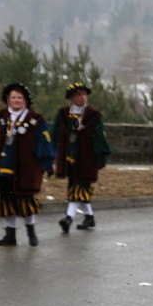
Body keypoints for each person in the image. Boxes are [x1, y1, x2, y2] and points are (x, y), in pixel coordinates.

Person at [0, 83, 54, 247]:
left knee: (26, 202)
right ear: (8, 99)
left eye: (19, 97)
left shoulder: (36, 120)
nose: (16, 100)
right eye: (13, 97)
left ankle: (31, 232)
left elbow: (44, 142)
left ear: (26, 100)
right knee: (7, 200)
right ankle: (10, 235)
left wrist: (47, 163)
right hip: (4, 167)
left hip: (26, 168)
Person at [52, 82, 112, 233]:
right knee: (77, 188)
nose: (82, 97)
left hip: (87, 160)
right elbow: (53, 135)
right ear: (71, 97)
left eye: (84, 94)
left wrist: (101, 156)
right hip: (70, 160)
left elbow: (99, 137)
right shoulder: (63, 114)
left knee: (79, 188)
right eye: (78, 94)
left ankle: (68, 218)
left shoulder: (93, 115)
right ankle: (89, 217)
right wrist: (48, 154)